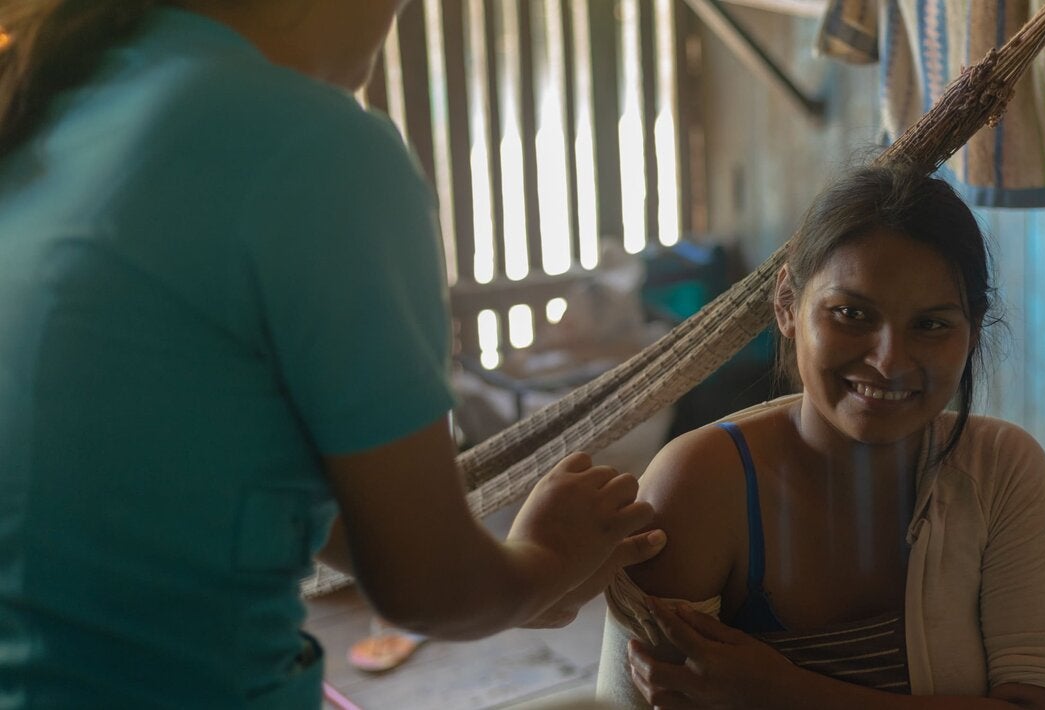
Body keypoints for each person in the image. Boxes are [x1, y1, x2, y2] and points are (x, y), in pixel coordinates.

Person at [0, 2, 662, 707]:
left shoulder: (58, 107)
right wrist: (546, 563)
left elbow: (199, 461)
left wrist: (517, 581)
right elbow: (432, 590)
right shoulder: (311, 145)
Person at [597, 165, 1045, 709]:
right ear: (787, 304)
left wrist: (785, 693)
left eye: (931, 325)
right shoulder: (698, 486)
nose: (889, 360)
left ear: (972, 333)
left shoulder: (1000, 470)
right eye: (851, 313)